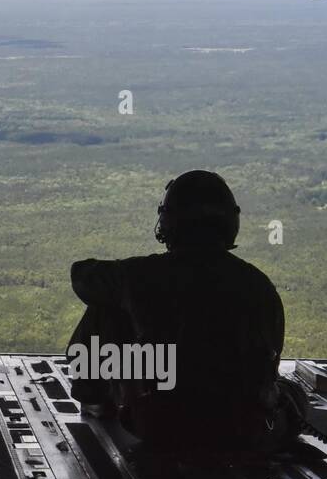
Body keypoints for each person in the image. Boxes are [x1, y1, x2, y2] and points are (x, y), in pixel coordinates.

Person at [66, 170, 292, 453]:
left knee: (104, 308)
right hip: (242, 431)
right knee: (293, 397)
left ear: (168, 223)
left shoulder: (138, 276)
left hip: (159, 426)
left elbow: (82, 277)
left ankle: (95, 400)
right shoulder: (259, 285)